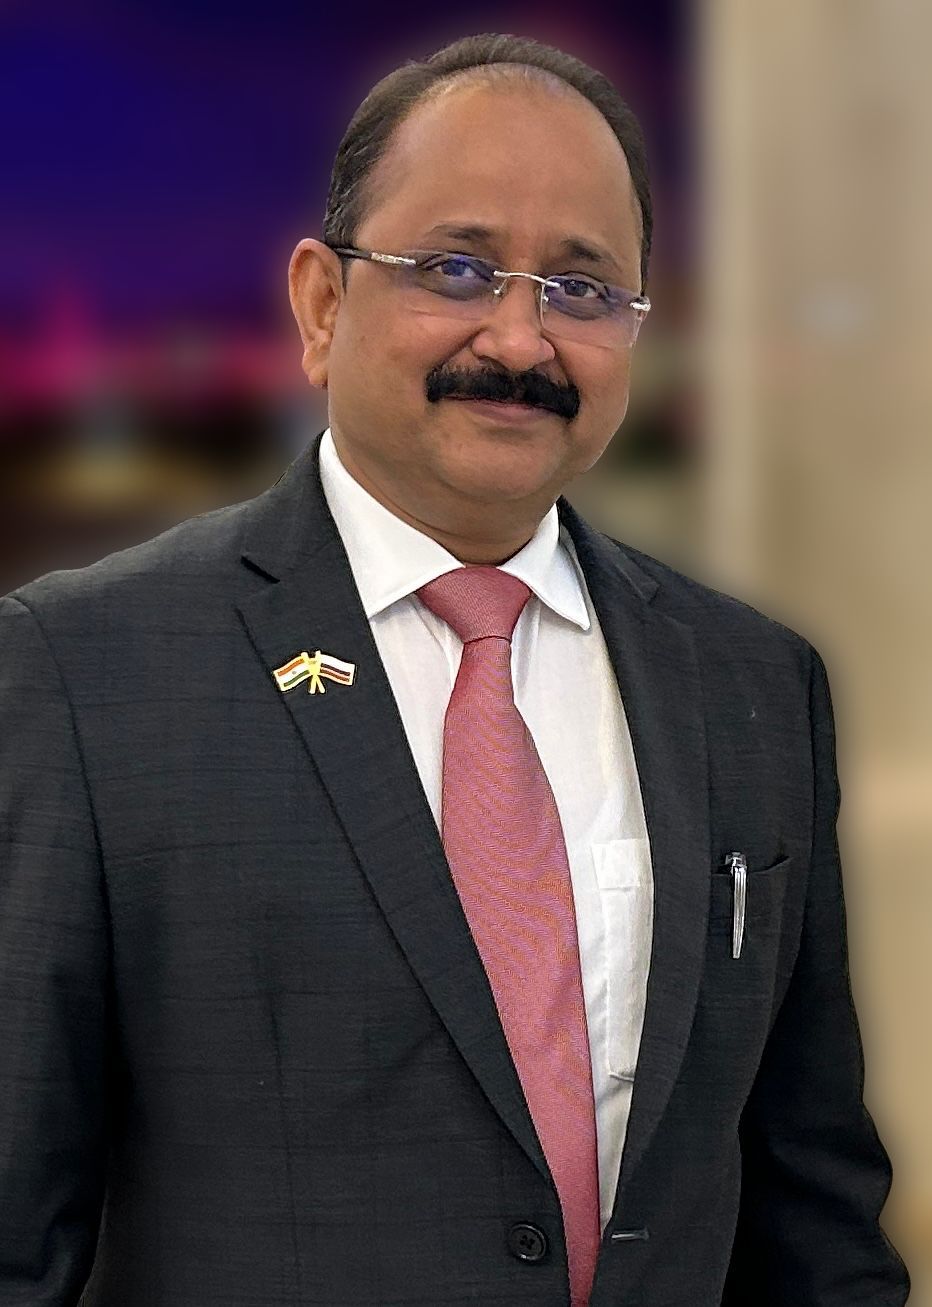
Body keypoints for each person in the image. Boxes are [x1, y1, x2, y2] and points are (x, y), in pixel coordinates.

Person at [0, 31, 910, 1307]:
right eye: (456, 268)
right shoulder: (87, 671)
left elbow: (811, 1210)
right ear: (322, 304)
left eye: (581, 287)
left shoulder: (751, 685)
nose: (520, 338)